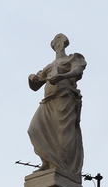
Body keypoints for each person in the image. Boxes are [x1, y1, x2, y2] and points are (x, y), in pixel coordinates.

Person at [27, 33, 87, 176]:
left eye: (60, 41)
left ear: (65, 44)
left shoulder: (72, 58)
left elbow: (78, 71)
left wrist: (62, 76)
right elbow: (35, 86)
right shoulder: (49, 67)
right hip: (48, 101)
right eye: (56, 42)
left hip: (64, 99)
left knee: (64, 134)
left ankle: (62, 166)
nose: (58, 44)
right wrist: (32, 78)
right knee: (34, 129)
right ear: (53, 46)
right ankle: (48, 161)